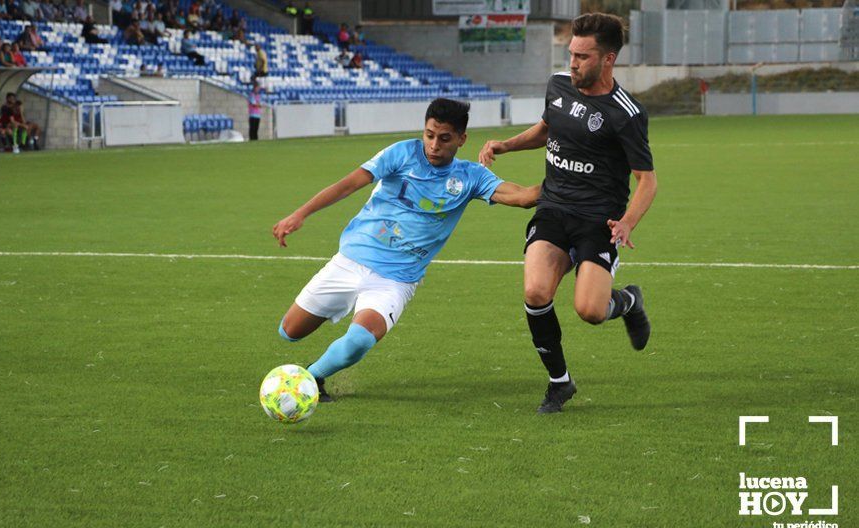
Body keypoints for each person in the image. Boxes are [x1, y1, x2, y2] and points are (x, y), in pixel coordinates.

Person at [272, 98, 540, 401]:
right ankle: (327, 325)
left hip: (396, 279)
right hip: (350, 261)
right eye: (429, 135)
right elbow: (348, 184)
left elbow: (523, 196)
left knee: (360, 339)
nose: (434, 144)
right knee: (289, 331)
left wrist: (566, 181)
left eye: (444, 138)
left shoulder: (470, 177)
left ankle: (309, 379)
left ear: (462, 139)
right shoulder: (402, 153)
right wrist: (300, 214)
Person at [478, 13, 658, 414]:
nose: (572, 62)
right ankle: (559, 382)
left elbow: (647, 180)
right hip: (554, 208)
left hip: (598, 220)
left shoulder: (625, 114)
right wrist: (506, 145)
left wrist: (627, 221)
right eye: (570, 53)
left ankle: (628, 302)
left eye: (582, 56)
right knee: (535, 292)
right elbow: (546, 129)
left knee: (590, 312)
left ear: (608, 59)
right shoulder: (558, 85)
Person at [247, 76, 262, 141]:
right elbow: (254, 104)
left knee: (256, 129)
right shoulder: (251, 95)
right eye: (257, 88)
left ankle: (255, 140)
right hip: (252, 115)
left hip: (258, 115)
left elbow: (259, 104)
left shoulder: (258, 95)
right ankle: (251, 140)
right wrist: (257, 105)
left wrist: (257, 105)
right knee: (252, 129)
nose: (258, 89)